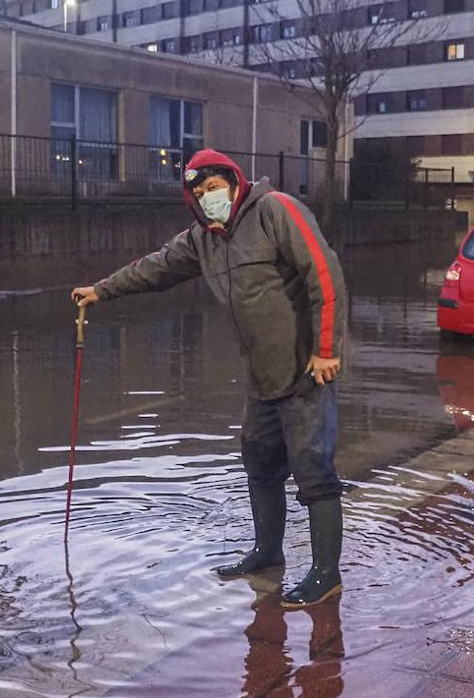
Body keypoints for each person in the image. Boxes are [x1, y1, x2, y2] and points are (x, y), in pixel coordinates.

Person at [71, 148, 348, 608]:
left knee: (314, 471)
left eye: (214, 188)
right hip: (262, 376)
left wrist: (324, 352)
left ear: (235, 182)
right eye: (199, 193)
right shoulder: (203, 238)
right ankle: (266, 552)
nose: (208, 198)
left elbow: (325, 274)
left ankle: (326, 574)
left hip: (305, 369)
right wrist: (102, 290)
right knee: (259, 464)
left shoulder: (276, 210)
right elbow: (155, 267)